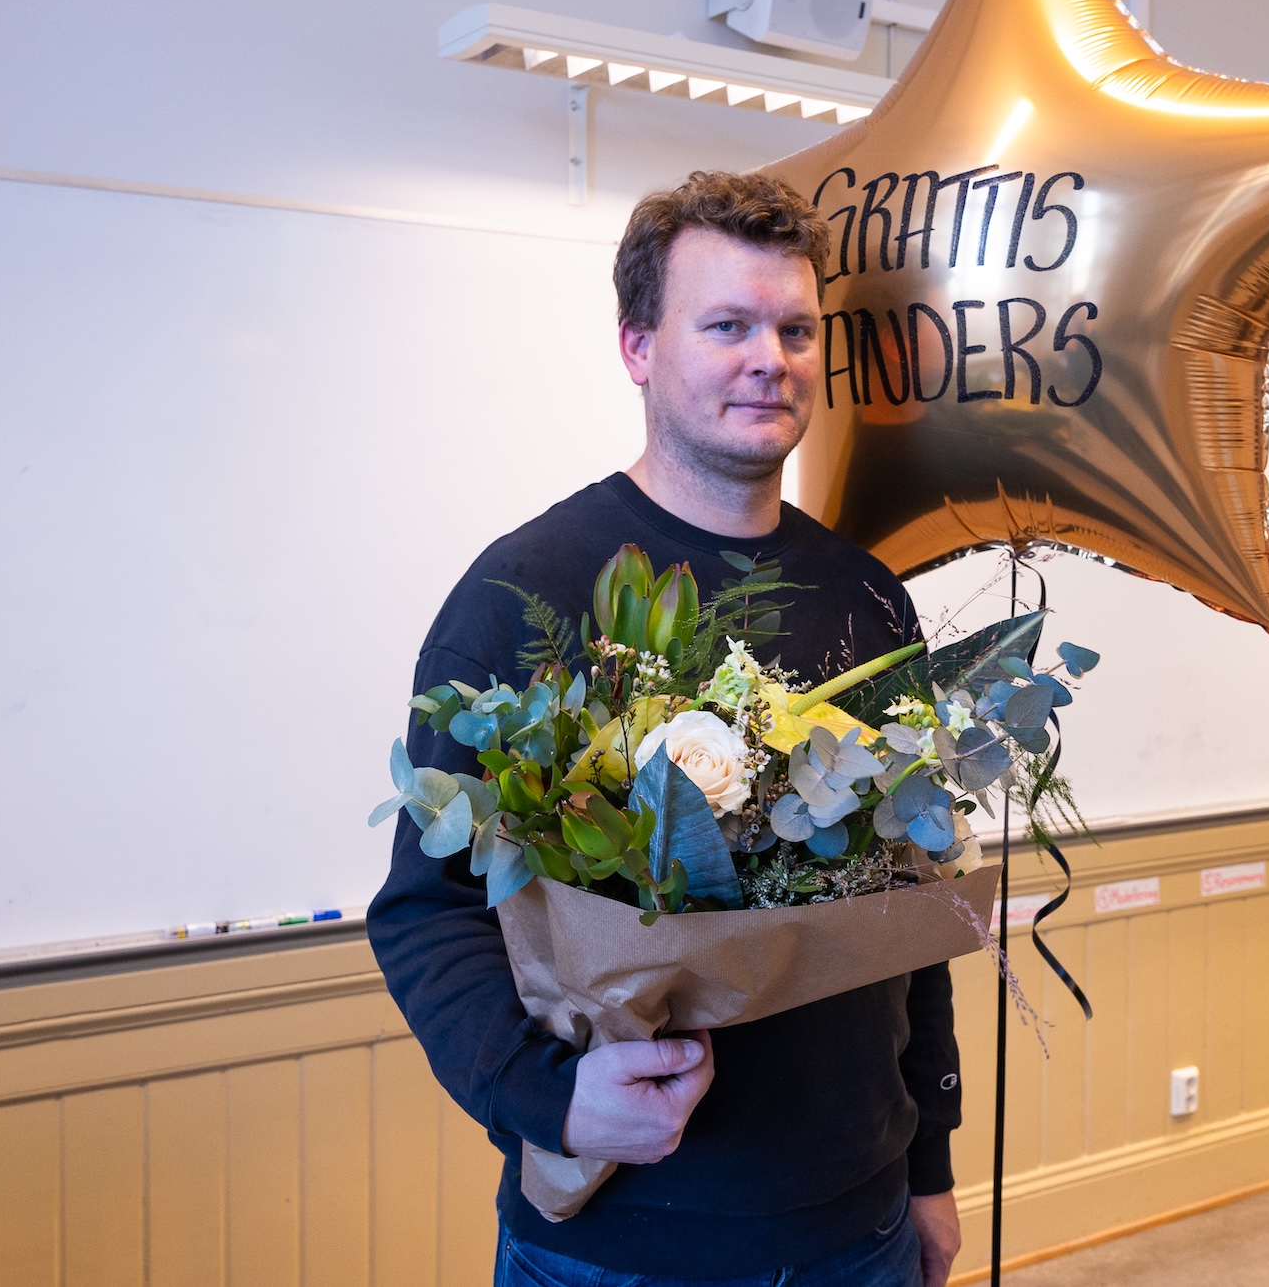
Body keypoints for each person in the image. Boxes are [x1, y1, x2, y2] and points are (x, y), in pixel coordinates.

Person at [366, 170, 963, 1287]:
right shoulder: (523, 591)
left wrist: (928, 1164)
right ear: (639, 347)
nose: (769, 359)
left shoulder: (870, 598)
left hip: (860, 1227)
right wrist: (550, 1098)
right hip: (621, 1247)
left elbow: (912, 907)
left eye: (795, 330)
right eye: (726, 325)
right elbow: (424, 908)